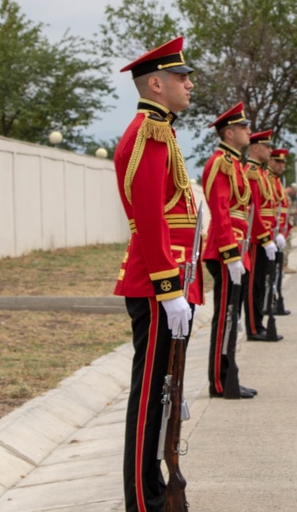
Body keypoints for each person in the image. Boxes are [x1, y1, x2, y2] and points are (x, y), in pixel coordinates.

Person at [112, 36, 201, 512]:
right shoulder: (149, 133)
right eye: (182, 77)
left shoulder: (161, 131)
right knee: (148, 399)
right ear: (156, 83)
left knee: (160, 395)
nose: (190, 84)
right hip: (154, 284)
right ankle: (142, 500)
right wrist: (169, 289)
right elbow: (150, 217)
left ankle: (151, 488)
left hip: (163, 281)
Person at [202, 102, 260, 397]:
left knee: (231, 317)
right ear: (228, 133)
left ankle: (230, 376)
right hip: (226, 250)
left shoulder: (236, 163)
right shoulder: (220, 163)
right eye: (244, 127)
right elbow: (221, 211)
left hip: (237, 248)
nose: (249, 131)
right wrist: (231, 253)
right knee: (224, 317)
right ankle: (221, 382)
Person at [243, 130, 280, 340]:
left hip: (265, 235)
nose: (270, 150)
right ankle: (253, 328)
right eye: (267, 147)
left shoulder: (262, 173)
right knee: (253, 286)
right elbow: (253, 210)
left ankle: (258, 324)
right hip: (257, 238)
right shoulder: (252, 172)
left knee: (261, 284)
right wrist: (265, 238)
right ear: (255, 148)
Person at [268, 148, 293, 310]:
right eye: (278, 161)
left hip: (280, 232)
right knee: (269, 274)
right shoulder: (268, 179)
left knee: (277, 272)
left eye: (283, 162)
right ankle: (270, 301)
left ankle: (274, 299)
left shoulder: (277, 181)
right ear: (270, 161)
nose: (281, 165)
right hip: (271, 233)